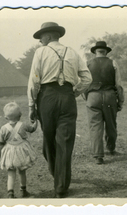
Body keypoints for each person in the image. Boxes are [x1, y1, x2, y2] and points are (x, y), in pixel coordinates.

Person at [27, 22, 92, 198]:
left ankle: (60, 182)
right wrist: (73, 92)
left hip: (47, 98)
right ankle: (61, 182)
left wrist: (31, 105)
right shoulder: (72, 52)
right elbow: (87, 78)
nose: (40, 41)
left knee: (49, 141)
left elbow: (34, 81)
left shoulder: (40, 52)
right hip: (67, 98)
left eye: (41, 37)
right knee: (65, 142)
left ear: (48, 36)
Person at [84, 41, 124, 165]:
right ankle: (111, 148)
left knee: (95, 126)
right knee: (111, 124)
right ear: (106, 51)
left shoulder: (88, 64)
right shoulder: (113, 63)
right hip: (110, 96)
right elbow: (118, 84)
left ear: (95, 51)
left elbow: (83, 84)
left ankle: (98, 156)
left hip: (93, 96)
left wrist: (88, 97)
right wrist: (120, 101)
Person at [0, 101, 38, 198]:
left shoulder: (3, 128)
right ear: (20, 115)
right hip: (21, 152)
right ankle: (23, 190)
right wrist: (36, 122)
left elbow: (0, 144)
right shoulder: (23, 125)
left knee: (11, 172)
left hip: (9, 153)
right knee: (22, 171)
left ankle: (10, 192)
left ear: (6, 117)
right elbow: (32, 129)